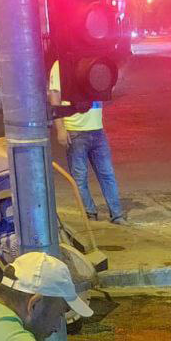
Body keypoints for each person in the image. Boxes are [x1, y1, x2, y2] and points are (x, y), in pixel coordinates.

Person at [48, 59, 125, 224]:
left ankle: (117, 215)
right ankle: (90, 213)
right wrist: (60, 128)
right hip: (75, 130)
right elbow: (54, 94)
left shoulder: (96, 59)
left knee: (107, 174)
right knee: (80, 177)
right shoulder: (61, 65)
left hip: (97, 129)